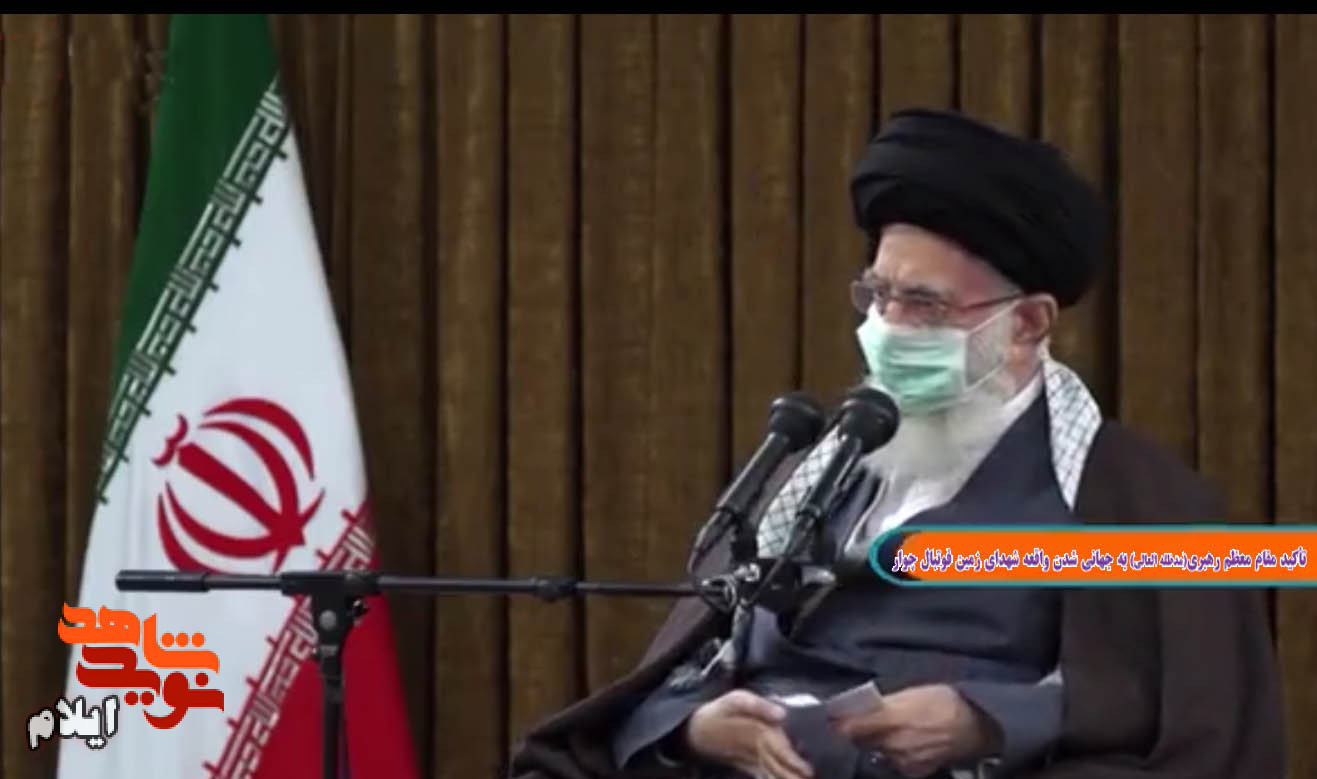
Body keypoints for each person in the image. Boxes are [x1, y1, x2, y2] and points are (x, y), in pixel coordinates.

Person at [508, 108, 1285, 779]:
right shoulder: (817, 467)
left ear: (1027, 323)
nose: (886, 326)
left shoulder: (1131, 496)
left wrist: (987, 720)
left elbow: (1180, 720)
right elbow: (689, 664)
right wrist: (694, 727)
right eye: (877, 294)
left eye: (923, 304)